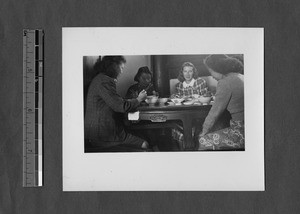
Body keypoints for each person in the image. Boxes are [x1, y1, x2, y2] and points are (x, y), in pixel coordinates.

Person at [84, 56, 149, 151]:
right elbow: (121, 106)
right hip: (104, 135)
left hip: (100, 132)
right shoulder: (104, 82)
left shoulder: (101, 78)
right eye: (121, 68)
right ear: (113, 67)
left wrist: (135, 100)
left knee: (141, 133)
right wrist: (138, 99)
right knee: (145, 143)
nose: (121, 71)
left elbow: (116, 101)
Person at [198, 54, 244, 150]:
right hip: (252, 127)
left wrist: (203, 131)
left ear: (218, 68)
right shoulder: (241, 76)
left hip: (241, 131)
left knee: (203, 140)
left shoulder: (225, 82)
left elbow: (214, 112)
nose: (211, 75)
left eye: (211, 71)